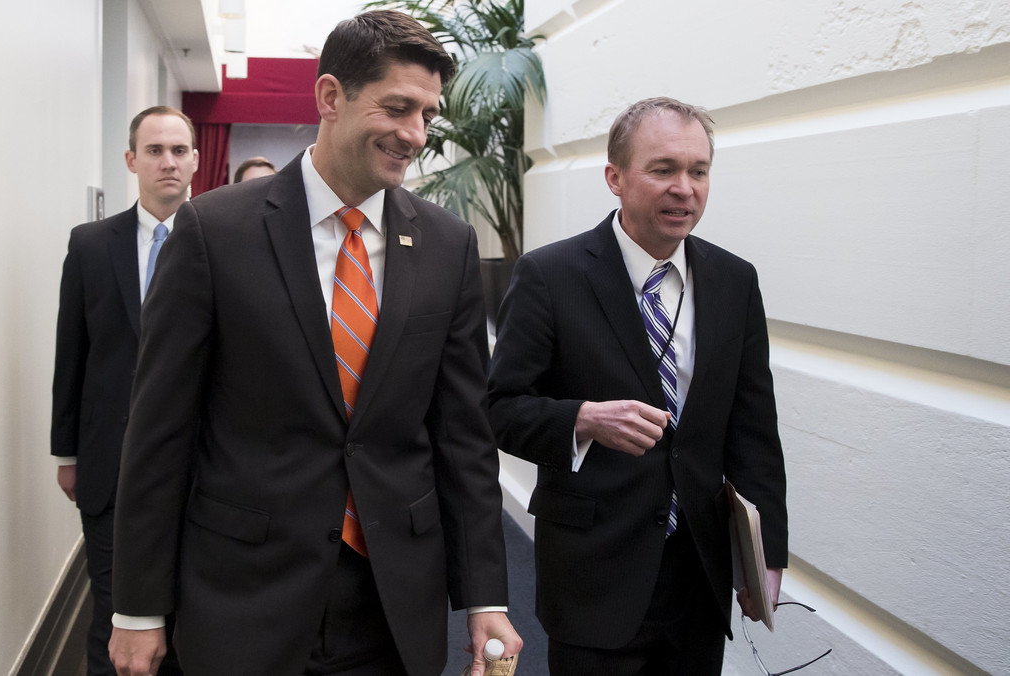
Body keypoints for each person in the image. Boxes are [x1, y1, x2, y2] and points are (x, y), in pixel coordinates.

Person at [108, 10, 521, 676]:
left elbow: (463, 436)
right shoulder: (215, 232)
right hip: (246, 595)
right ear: (331, 97)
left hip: (391, 601)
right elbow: (160, 432)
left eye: (427, 115)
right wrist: (138, 609)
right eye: (397, 108)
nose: (415, 134)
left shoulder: (448, 245)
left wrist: (485, 598)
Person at [487, 97, 788, 675]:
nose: (685, 188)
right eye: (663, 169)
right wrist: (583, 420)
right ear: (615, 178)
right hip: (592, 573)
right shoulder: (550, 275)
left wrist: (764, 556)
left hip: (698, 573)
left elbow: (755, 431)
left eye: (698, 171)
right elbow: (499, 408)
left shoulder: (734, 281)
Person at [51, 105, 197, 676]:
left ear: (195, 160)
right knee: (114, 615)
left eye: (179, 150)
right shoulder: (91, 245)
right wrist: (67, 453)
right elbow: (73, 354)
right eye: (155, 150)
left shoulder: (222, 240)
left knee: (184, 614)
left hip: (195, 465)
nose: (168, 162)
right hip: (110, 463)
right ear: (132, 160)